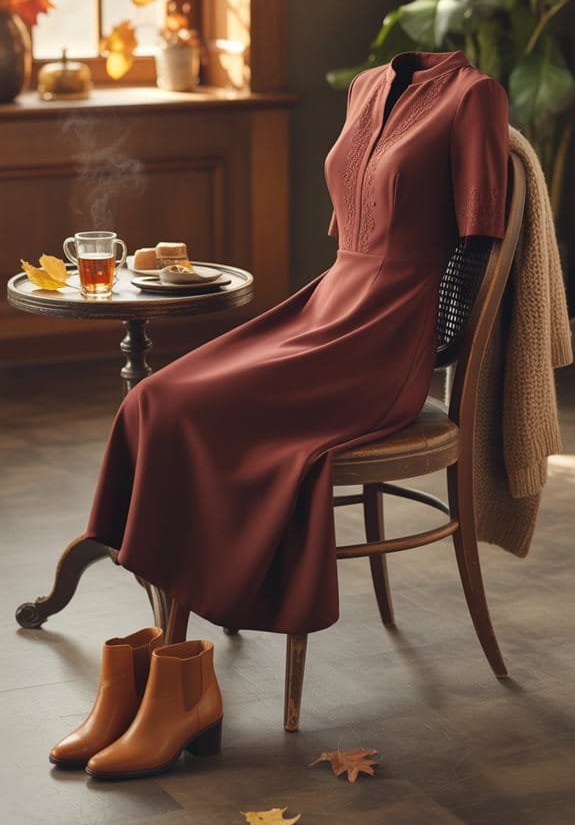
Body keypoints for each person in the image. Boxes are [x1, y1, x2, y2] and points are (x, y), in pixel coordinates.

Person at [50, 49, 510, 778]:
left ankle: (175, 687)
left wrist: (436, 346)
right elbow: (350, 223)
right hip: (328, 302)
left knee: (192, 410)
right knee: (156, 397)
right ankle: (160, 675)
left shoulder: (475, 96)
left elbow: (479, 246)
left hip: (382, 337)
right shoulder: (366, 85)